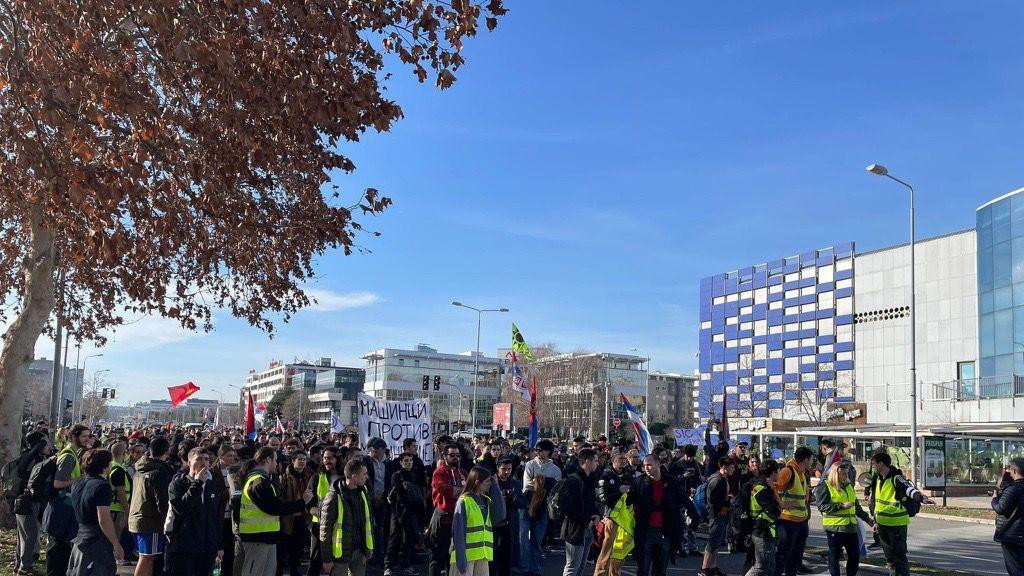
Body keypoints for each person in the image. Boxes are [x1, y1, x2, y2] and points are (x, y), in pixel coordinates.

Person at [237, 447, 305, 576]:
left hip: (266, 537)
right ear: (268, 459)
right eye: (275, 460)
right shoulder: (258, 482)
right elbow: (274, 507)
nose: (277, 463)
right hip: (257, 538)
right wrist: (301, 504)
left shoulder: (262, 480)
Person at [631, 454, 699, 576]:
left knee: (660, 569)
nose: (646, 468)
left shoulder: (671, 482)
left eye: (649, 465)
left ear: (658, 464)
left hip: (665, 530)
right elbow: (630, 502)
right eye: (644, 465)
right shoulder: (639, 482)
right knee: (643, 569)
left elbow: (685, 500)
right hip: (646, 531)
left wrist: (694, 518)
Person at [165, 447, 224, 576]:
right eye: (199, 459)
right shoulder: (178, 484)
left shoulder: (211, 485)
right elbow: (181, 508)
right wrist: (197, 483)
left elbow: (214, 517)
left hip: (207, 547)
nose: (203, 463)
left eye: (207, 459)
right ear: (189, 462)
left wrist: (219, 545)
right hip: (185, 547)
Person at [868, 451, 927, 576]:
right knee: (889, 558)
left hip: (896, 525)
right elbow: (875, 502)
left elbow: (909, 489)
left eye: (873, 463)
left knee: (899, 557)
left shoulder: (896, 477)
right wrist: (876, 521)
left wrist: (920, 497)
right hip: (882, 524)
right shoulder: (878, 478)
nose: (872, 466)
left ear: (881, 464)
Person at [67, 448, 124, 576]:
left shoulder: (77, 484)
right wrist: (116, 543)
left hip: (80, 536)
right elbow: (103, 519)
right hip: (97, 541)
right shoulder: (102, 486)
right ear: (105, 465)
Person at [45, 424, 91, 576]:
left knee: (63, 552)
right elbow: (58, 483)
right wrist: (80, 479)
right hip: (59, 510)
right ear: (74, 436)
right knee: (57, 553)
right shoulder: (68, 456)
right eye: (84, 436)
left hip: (65, 509)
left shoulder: (74, 454)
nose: (87, 439)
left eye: (88, 436)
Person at [129, 436, 176, 576]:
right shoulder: (158, 472)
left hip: (139, 517)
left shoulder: (142, 468)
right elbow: (162, 501)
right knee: (147, 558)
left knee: (146, 557)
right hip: (151, 521)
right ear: (167, 452)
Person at [814, 463, 873, 576]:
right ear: (835, 474)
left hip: (851, 527)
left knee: (854, 556)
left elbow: (856, 507)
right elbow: (822, 506)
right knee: (834, 556)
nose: (846, 476)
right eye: (843, 474)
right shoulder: (825, 485)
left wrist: (867, 519)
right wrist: (841, 506)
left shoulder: (849, 486)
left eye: (847, 473)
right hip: (835, 528)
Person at [320, 459, 375, 576]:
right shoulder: (333, 497)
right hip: (340, 555)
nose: (367, 477)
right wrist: (327, 559)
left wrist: (369, 547)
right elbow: (325, 530)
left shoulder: (362, 493)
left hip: (359, 551)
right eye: (364, 474)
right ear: (354, 476)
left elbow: (367, 521)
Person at [519, 439, 562, 576]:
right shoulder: (530, 465)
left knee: (537, 541)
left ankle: (535, 569)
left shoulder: (555, 469)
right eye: (536, 450)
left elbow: (556, 490)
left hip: (543, 508)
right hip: (527, 505)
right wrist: (543, 484)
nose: (537, 452)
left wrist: (540, 483)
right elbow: (527, 486)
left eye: (540, 450)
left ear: (548, 452)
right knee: (523, 539)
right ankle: (524, 567)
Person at [772, 447, 814, 576]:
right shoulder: (788, 471)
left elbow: (800, 495)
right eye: (811, 459)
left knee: (795, 558)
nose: (812, 462)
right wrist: (782, 504)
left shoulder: (801, 473)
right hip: (788, 521)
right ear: (805, 460)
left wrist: (809, 497)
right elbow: (774, 488)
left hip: (801, 521)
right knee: (782, 556)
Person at [13, 431, 50, 576]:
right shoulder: (30, 458)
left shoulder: (34, 457)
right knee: (30, 535)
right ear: (39, 444)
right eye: (45, 442)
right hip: (27, 501)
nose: (48, 445)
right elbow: (25, 471)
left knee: (23, 535)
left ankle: (20, 564)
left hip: (26, 501)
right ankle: (25, 567)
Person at [385, 452, 427, 576]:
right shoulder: (396, 476)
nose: (409, 463)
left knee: (409, 540)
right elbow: (398, 493)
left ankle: (406, 565)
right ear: (401, 462)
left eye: (410, 461)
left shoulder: (413, 475)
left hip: (411, 512)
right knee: (394, 538)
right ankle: (388, 566)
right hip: (398, 512)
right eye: (406, 461)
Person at [560, 448, 600, 576]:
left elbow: (591, 502)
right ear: (587, 461)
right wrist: (585, 519)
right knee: (572, 567)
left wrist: (595, 515)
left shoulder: (591, 479)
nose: (597, 464)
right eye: (596, 461)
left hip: (588, 529)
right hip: (575, 529)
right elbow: (566, 507)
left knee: (581, 566)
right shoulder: (573, 481)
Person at [428, 443, 467, 576]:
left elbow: (468, 492)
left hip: (458, 519)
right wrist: (462, 490)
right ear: (445, 456)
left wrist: (460, 491)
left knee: (453, 557)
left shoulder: (463, 472)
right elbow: (445, 490)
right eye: (452, 455)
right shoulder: (439, 472)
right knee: (437, 556)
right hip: (442, 518)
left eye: (458, 455)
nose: (456, 458)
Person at [450, 467, 494, 576]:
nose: (490, 484)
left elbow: (501, 514)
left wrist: (497, 486)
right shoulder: (464, 501)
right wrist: (461, 559)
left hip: (482, 555)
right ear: (477, 483)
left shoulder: (486, 500)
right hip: (465, 556)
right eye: (487, 481)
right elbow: (458, 532)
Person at [744, 459, 782, 576]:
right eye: (778, 471)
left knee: (770, 567)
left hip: (767, 531)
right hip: (762, 531)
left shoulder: (766, 487)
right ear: (773, 473)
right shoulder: (761, 489)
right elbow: (774, 511)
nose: (780, 474)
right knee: (761, 567)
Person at [307, 447, 340, 576]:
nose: (327, 461)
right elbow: (309, 503)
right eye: (325, 458)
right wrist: (318, 513)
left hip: (339, 527)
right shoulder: (316, 478)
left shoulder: (344, 479)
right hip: (318, 526)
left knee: (337, 564)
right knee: (315, 562)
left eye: (330, 458)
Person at [700, 456, 736, 576]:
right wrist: (727, 502)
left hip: (722, 515)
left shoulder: (722, 478)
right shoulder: (716, 480)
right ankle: (704, 569)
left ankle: (713, 568)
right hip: (717, 516)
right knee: (712, 543)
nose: (733, 469)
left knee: (716, 543)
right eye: (731, 467)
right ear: (724, 468)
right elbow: (713, 501)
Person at [278, 450, 311, 576]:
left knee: (298, 548)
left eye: (304, 459)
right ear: (293, 461)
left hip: (302, 517)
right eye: (300, 459)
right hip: (287, 518)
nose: (303, 462)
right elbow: (280, 498)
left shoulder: (309, 475)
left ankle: (294, 570)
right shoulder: (284, 477)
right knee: (283, 549)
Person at [492, 455, 524, 576]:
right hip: (494, 524)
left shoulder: (515, 483)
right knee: (493, 557)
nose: (506, 472)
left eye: (509, 469)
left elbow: (523, 503)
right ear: (498, 468)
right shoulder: (491, 482)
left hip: (509, 524)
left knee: (507, 557)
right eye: (504, 469)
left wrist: (513, 499)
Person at [992, 457, 1024, 575]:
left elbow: (1000, 508)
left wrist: (994, 498)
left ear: (1015, 471)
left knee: (1015, 570)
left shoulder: (1013, 489)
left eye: (1010, 470)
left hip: (1012, 536)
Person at [363, 438, 391, 569]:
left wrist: (383, 497)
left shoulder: (389, 463)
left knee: (380, 528)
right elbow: (365, 481)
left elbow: (390, 482)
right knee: (369, 527)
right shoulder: (366, 462)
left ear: (383, 449)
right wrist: (373, 496)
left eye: (374, 449)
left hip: (383, 501)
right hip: (369, 499)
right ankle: (369, 555)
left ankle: (379, 556)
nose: (372, 452)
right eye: (371, 449)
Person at [107, 442, 132, 565]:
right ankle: (115, 559)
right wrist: (127, 510)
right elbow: (121, 493)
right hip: (117, 509)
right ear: (124, 453)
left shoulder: (112, 466)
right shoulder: (118, 470)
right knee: (116, 534)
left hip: (114, 507)